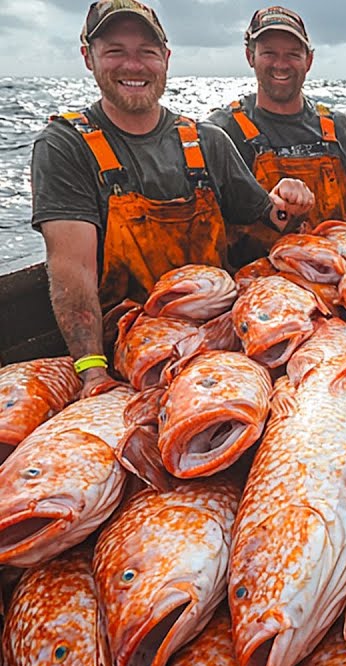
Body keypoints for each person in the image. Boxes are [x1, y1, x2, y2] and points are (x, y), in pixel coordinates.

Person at [30, 0, 314, 397]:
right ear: (88, 58)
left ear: (165, 58)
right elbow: (71, 269)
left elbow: (275, 218)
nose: (134, 65)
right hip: (136, 353)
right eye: (115, 51)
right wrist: (92, 370)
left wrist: (295, 202)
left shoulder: (207, 140)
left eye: (146, 52)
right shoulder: (65, 146)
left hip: (224, 336)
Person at [209, 5, 346, 265]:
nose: (280, 64)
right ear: (250, 56)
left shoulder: (342, 129)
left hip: (342, 273)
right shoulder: (220, 133)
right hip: (257, 281)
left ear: (308, 60)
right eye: (269, 53)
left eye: (292, 54)